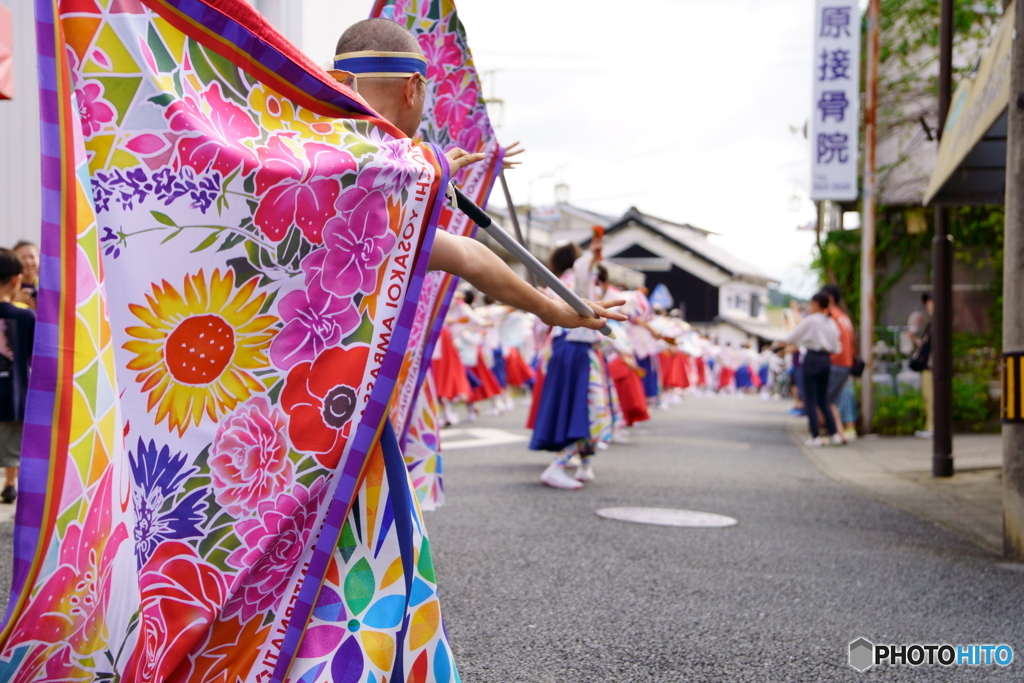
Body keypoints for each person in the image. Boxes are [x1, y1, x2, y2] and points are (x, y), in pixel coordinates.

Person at [0, 249, 35, 503]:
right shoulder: (25, 317)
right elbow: (39, 360)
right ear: (16, 280)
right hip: (14, 400)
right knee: (18, 456)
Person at [785, 291, 841, 447]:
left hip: (811, 358)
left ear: (816, 304)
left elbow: (791, 337)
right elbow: (837, 347)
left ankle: (815, 435)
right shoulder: (831, 322)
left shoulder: (811, 321)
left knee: (810, 399)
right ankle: (834, 433)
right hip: (826, 359)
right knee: (824, 399)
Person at [822, 284, 855, 443]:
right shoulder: (843, 315)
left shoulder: (830, 315)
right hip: (847, 362)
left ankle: (836, 433)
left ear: (829, 298)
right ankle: (840, 431)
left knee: (825, 399)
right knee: (833, 399)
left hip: (835, 361)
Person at [910, 293, 934, 438]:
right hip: (930, 366)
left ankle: (932, 427)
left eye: (932, 302)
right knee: (928, 397)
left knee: (930, 397)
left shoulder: (937, 322)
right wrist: (915, 339)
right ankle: (929, 426)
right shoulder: (933, 322)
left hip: (931, 366)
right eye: (928, 302)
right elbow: (926, 345)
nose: (929, 305)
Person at [12, 241, 38, 310]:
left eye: (32, 257)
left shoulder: (44, 287)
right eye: (23, 257)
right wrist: (13, 301)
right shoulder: (6, 287)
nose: (28, 261)